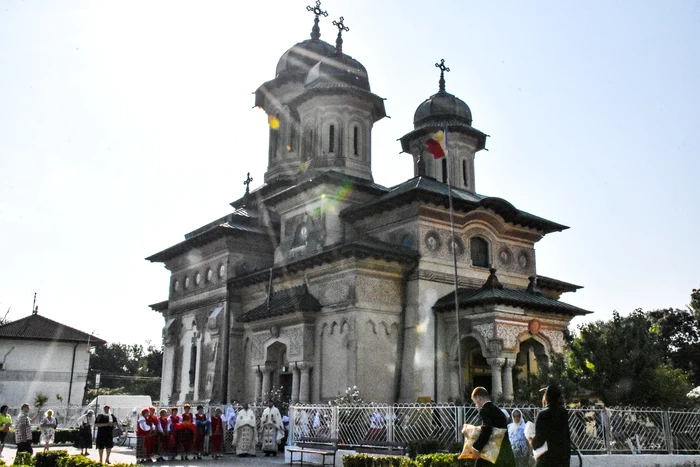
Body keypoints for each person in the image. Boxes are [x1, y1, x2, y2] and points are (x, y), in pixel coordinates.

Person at [470, 387, 516, 467]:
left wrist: (476, 447)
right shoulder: (499, 412)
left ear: (478, 398)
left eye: (475, 402)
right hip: (504, 453)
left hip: (491, 455)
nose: (476, 405)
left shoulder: (485, 410)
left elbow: (486, 430)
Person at [532, 384, 571, 467]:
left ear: (546, 398)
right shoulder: (563, 412)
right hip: (562, 458)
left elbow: (539, 440)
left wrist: (532, 442)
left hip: (547, 459)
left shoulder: (543, 415)